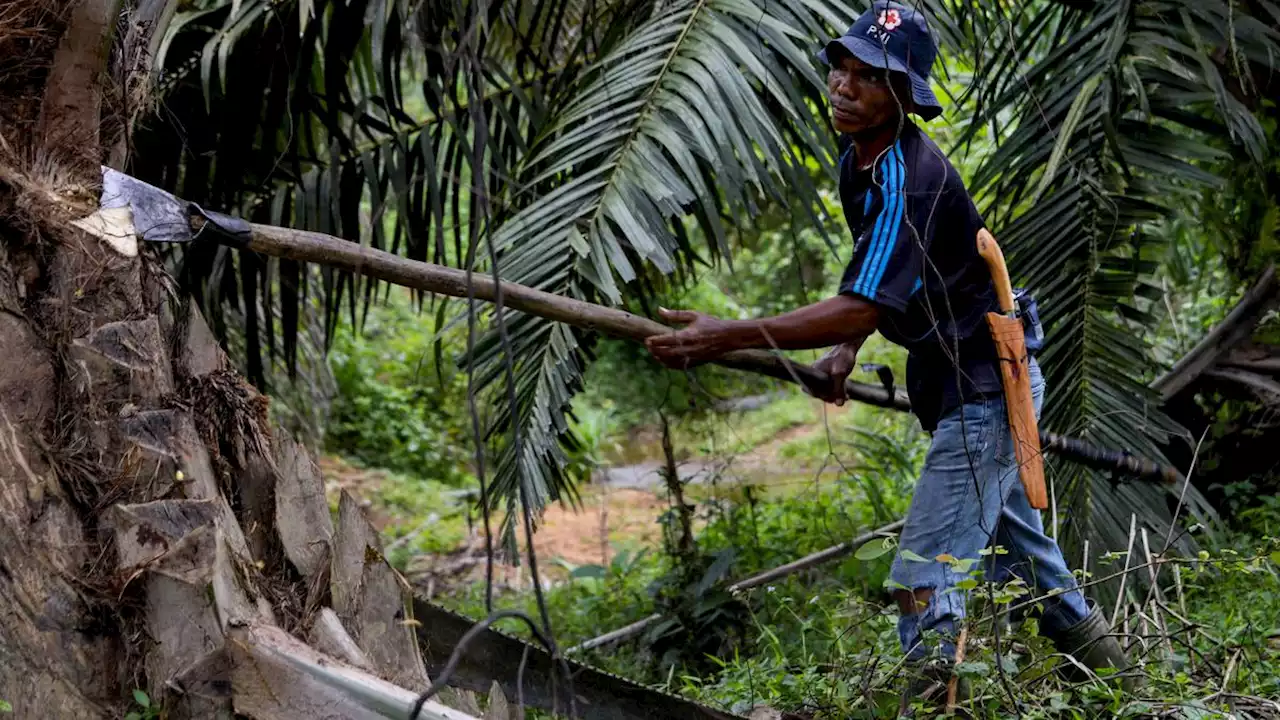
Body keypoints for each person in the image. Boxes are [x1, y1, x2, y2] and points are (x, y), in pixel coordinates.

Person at [644, 1, 1132, 714]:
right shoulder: (860, 164)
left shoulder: (912, 174)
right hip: (960, 386)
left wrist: (729, 333)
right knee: (1033, 564)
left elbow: (868, 303)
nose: (844, 86)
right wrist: (845, 348)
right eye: (841, 68)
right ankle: (1127, 687)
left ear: (903, 95)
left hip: (989, 390)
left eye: (867, 77)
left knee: (923, 580)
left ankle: (937, 702)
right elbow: (881, 278)